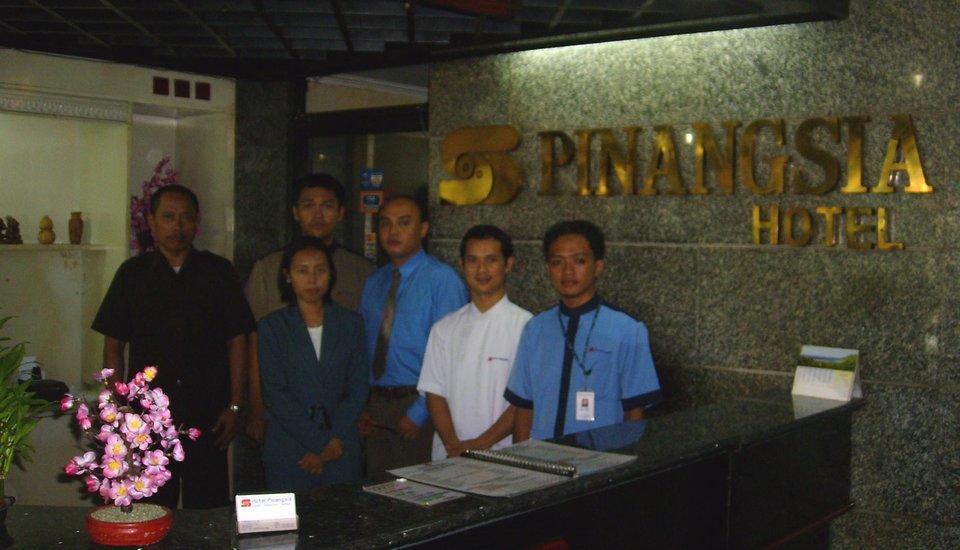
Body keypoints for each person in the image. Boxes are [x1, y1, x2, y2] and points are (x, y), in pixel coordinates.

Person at [91, 184, 255, 508]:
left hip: (208, 413)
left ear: (197, 222)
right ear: (151, 221)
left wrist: (237, 405)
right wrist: (118, 409)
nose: (177, 226)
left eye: (185, 218)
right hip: (147, 419)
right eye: (168, 217)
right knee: (151, 510)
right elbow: (113, 345)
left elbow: (238, 339)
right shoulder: (132, 274)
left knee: (208, 510)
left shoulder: (219, 272)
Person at [242, 173, 374, 482]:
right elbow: (261, 362)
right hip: (290, 437)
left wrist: (334, 440)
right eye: (308, 205)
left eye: (326, 205)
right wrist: (254, 408)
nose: (317, 214)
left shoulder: (362, 273)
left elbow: (357, 381)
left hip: (342, 436)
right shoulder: (267, 271)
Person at [504, 220, 662, 442]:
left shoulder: (627, 330)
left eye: (579, 261)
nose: (568, 271)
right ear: (548, 268)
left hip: (602, 456)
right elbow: (524, 406)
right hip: (542, 457)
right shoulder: (535, 329)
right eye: (557, 262)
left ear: (598, 266)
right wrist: (521, 457)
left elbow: (635, 413)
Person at [358, 195, 468, 480]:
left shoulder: (442, 280)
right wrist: (363, 405)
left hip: (423, 405)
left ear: (423, 229)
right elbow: (364, 350)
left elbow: (451, 357)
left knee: (418, 492)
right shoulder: (374, 282)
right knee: (379, 490)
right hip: (376, 407)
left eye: (404, 223)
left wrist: (420, 412)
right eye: (386, 224)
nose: (393, 232)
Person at [258, 238, 369, 490]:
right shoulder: (272, 327)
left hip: (341, 447)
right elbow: (275, 394)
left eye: (320, 270)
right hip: (291, 448)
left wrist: (332, 443)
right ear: (288, 276)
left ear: (331, 274)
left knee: (343, 512)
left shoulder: (351, 324)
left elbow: (358, 388)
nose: (312, 279)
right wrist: (320, 444)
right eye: (302, 271)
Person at [417, 225, 532, 460]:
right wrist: (453, 446)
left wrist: (479, 444)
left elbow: (525, 400)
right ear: (462, 265)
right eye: (472, 260)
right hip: (450, 456)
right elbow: (434, 393)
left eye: (491, 260)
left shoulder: (528, 327)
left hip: (504, 457)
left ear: (508, 264)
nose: (481, 270)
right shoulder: (444, 328)